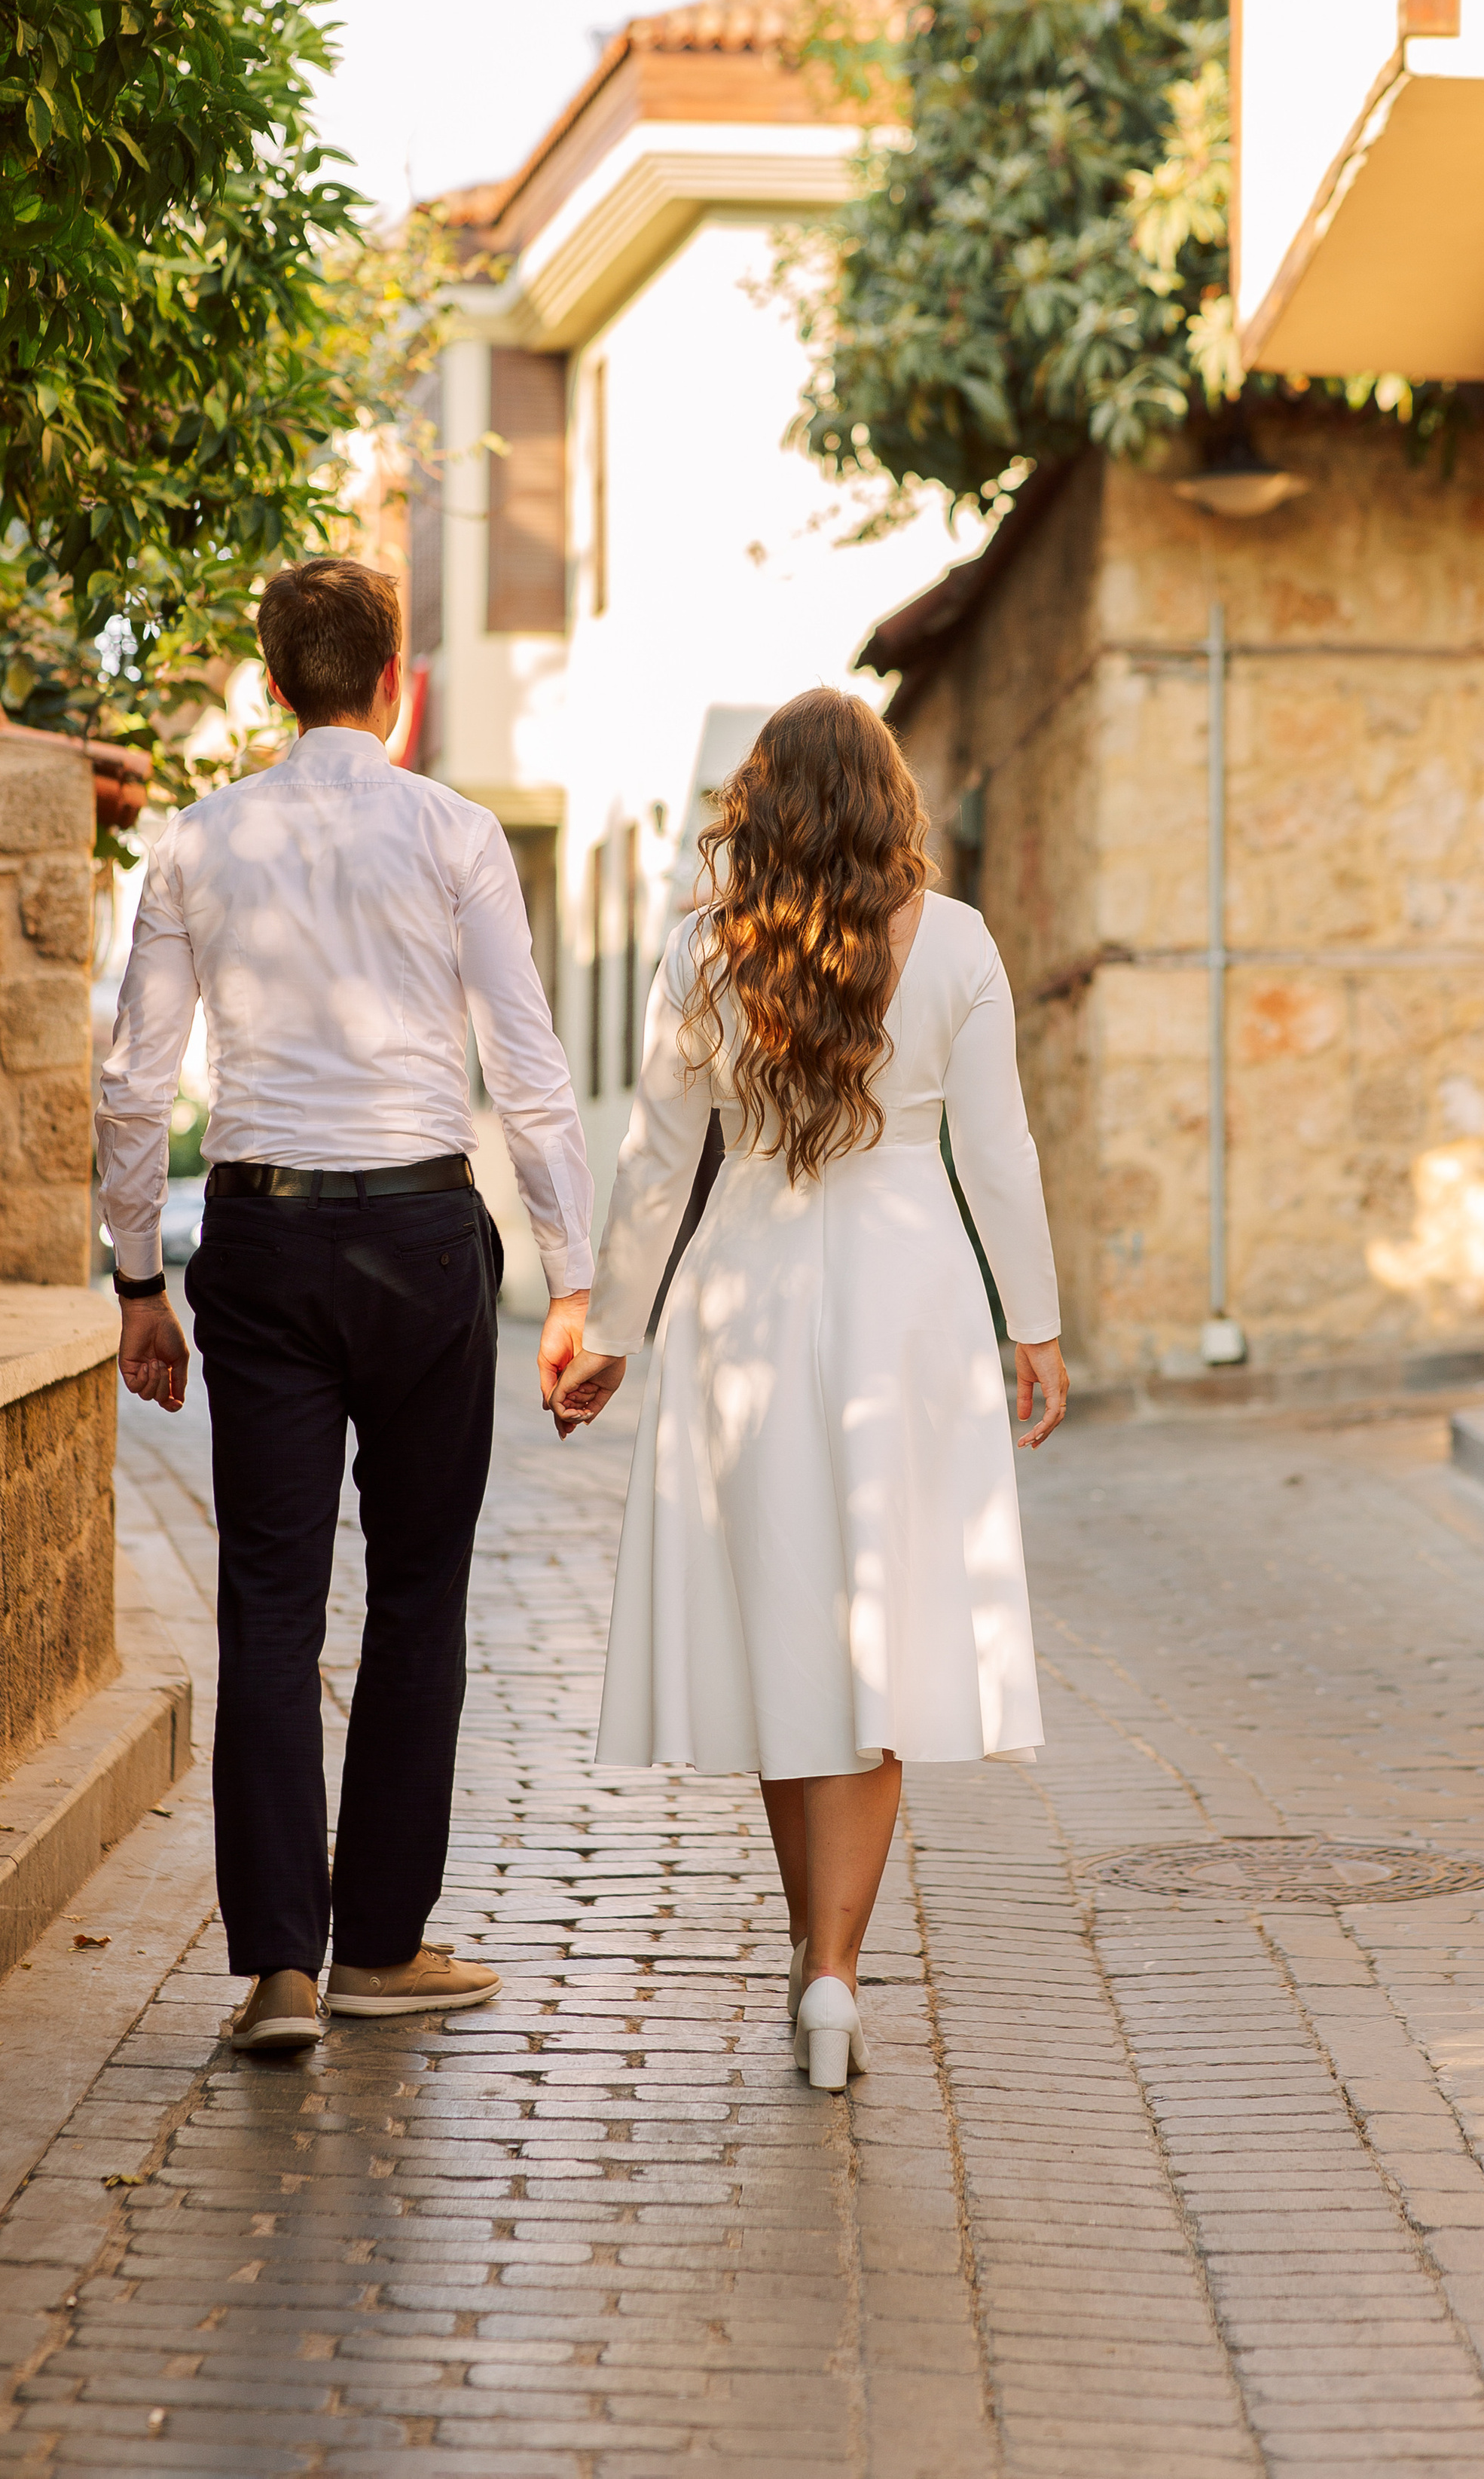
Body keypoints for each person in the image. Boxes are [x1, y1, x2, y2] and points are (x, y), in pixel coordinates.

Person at [98, 560, 594, 2053]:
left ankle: (279, 1972)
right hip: (426, 1237)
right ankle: (378, 1942)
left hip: (258, 1241)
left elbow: (133, 1083)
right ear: (396, 685)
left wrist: (138, 1280)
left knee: (265, 1591)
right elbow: (527, 1059)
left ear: (270, 684)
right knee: (419, 1587)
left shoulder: (193, 843)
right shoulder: (453, 835)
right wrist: (575, 1280)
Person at [548, 691, 1065, 2093]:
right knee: (882, 1631)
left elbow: (657, 1163)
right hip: (912, 1301)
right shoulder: (955, 945)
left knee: (789, 1625)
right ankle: (835, 1966)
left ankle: (810, 1962)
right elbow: (1002, 1156)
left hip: (746, 1298)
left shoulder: (705, 955)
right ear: (890, 802)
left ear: (760, 806)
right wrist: (1038, 1324)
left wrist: (606, 1332)